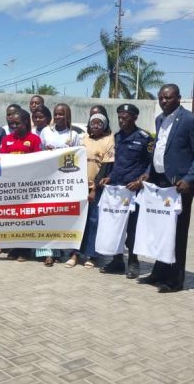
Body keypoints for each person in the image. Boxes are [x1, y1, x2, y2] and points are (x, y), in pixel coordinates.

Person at [139, 84, 194, 293]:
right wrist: (149, 172)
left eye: (168, 98)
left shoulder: (190, 120)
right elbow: (159, 150)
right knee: (161, 230)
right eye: (161, 97)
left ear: (178, 98)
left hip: (179, 187)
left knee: (177, 233)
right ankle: (159, 272)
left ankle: (175, 280)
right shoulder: (160, 119)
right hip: (160, 183)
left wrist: (189, 179)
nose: (163, 101)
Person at [99, 104, 153, 278]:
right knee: (115, 226)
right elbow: (116, 163)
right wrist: (109, 177)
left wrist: (141, 181)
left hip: (133, 190)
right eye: (119, 117)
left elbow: (151, 164)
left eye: (125, 117)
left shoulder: (144, 138)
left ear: (135, 117)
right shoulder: (117, 137)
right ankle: (117, 261)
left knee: (132, 227)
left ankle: (133, 262)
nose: (121, 121)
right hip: (117, 190)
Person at [39, 103, 82, 267]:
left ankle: (60, 252)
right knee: (46, 215)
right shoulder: (46, 132)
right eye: (56, 114)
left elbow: (78, 157)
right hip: (47, 179)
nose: (58, 117)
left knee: (60, 217)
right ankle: (46, 253)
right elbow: (39, 153)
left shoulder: (74, 135)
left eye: (61, 114)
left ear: (67, 116)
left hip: (65, 181)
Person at [0, 108, 42, 262]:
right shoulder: (6, 139)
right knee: (13, 218)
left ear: (25, 122)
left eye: (17, 123)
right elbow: (2, 160)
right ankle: (14, 248)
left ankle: (25, 250)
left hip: (28, 185)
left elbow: (39, 161)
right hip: (11, 185)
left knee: (26, 218)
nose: (14, 126)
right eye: (12, 124)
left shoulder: (34, 139)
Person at [80, 110, 114, 269]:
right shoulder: (84, 139)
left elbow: (106, 167)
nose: (96, 125)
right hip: (79, 186)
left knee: (94, 221)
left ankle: (92, 255)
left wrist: (94, 187)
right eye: (93, 122)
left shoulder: (108, 140)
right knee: (79, 220)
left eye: (99, 123)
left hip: (96, 188)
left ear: (104, 125)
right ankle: (76, 252)